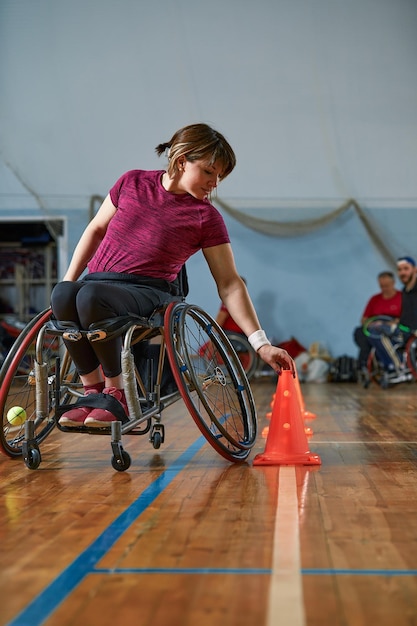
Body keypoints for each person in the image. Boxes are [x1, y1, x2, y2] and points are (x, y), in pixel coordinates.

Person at [50, 123, 295, 428]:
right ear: (181, 161)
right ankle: (92, 391)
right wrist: (69, 279)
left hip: (148, 291)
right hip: (98, 282)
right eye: (209, 172)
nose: (214, 183)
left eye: (219, 176)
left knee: (89, 296)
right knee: (62, 293)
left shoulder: (206, 217)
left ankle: (117, 392)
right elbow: (96, 229)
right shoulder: (132, 182)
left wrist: (261, 343)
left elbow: (230, 284)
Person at [367, 256, 417, 381]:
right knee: (373, 329)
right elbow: (406, 315)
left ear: (415, 270)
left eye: (406, 269)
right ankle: (392, 366)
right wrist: (392, 323)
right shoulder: (405, 291)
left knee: (376, 330)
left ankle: (398, 367)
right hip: (403, 329)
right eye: (400, 270)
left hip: (413, 333)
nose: (403, 272)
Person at [353, 271, 402, 371]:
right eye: (381, 286)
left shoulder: (402, 298)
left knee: (380, 333)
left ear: (393, 283)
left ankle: (392, 364)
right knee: (360, 333)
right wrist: (371, 324)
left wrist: (387, 324)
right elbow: (364, 319)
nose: (384, 289)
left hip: (392, 325)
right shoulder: (374, 299)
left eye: (386, 286)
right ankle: (364, 365)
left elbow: (407, 317)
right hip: (374, 325)